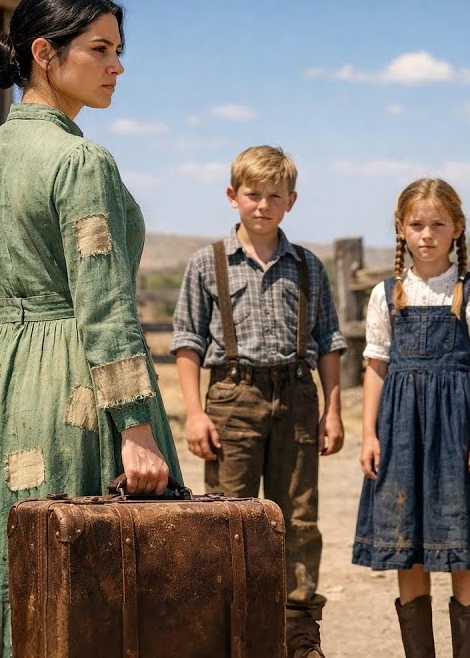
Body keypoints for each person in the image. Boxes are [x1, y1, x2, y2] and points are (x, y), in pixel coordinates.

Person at [0, 0, 184, 657]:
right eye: (100, 49)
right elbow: (102, 306)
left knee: (17, 574)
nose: (117, 67)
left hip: (1, 400)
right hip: (81, 394)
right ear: (44, 52)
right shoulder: (81, 160)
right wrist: (135, 430)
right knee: (96, 595)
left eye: (120, 51)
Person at [170, 145, 347, 658]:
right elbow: (187, 341)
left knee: (299, 515)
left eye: (275, 196)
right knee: (230, 516)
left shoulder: (308, 265)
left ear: (291, 201)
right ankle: (232, 632)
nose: (263, 205)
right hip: (232, 396)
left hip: (295, 394)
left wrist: (333, 410)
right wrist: (196, 412)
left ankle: (297, 633)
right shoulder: (208, 264)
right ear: (232, 197)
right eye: (253, 195)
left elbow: (330, 340)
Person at [354, 178, 470, 658]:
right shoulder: (386, 294)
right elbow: (375, 369)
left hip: (459, 431)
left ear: (457, 230)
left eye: (438, 225)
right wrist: (369, 435)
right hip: (400, 431)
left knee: (462, 539)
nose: (427, 234)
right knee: (408, 543)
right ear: (401, 231)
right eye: (417, 225)